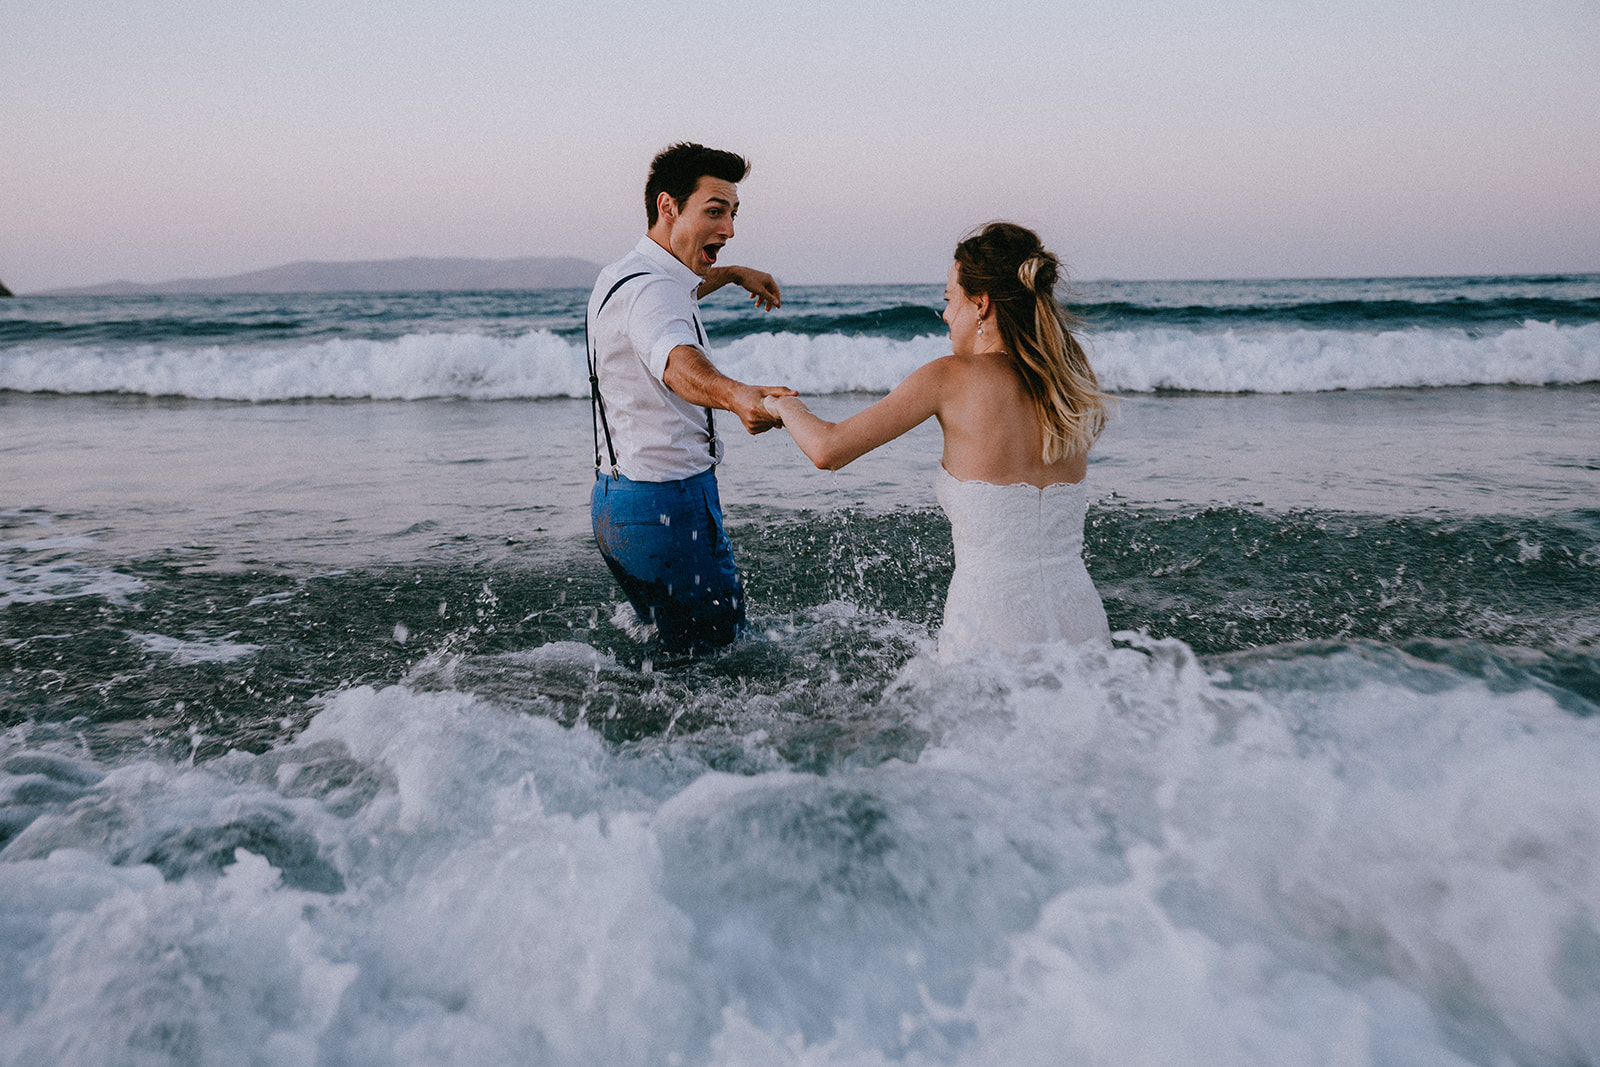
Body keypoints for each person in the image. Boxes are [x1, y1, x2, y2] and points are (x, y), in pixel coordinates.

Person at [763, 222, 1112, 658]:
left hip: (992, 621)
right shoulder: (1071, 376)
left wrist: (779, 405)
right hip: (1078, 613)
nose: (945, 314)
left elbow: (827, 449)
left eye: (949, 300)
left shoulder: (950, 377)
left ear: (980, 304)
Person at [587, 142, 796, 655]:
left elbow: (675, 295)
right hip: (670, 504)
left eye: (732, 213)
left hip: (617, 503)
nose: (728, 228)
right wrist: (737, 395)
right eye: (715, 211)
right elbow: (675, 358)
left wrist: (734, 274)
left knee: (671, 650)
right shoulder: (654, 294)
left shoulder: (623, 277)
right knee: (716, 657)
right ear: (668, 207)